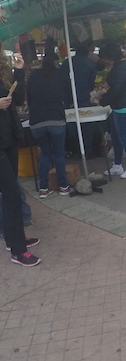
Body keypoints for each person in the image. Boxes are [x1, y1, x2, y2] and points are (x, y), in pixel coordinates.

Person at [0, 47, 40, 266]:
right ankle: (18, 250)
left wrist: (18, 72)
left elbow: (15, 100)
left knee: (10, 193)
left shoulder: (2, 71)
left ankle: (13, 238)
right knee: (12, 193)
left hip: (8, 137)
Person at [26, 52, 70, 198]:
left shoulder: (33, 76)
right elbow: (68, 95)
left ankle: (43, 188)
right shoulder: (60, 75)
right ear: (55, 63)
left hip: (36, 121)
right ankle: (64, 186)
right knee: (58, 153)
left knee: (45, 154)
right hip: (56, 118)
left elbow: (29, 97)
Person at [97, 40, 126, 179]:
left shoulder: (121, 68)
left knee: (123, 137)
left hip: (123, 107)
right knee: (116, 136)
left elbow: (116, 90)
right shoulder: (122, 66)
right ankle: (117, 165)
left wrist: (102, 101)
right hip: (120, 106)